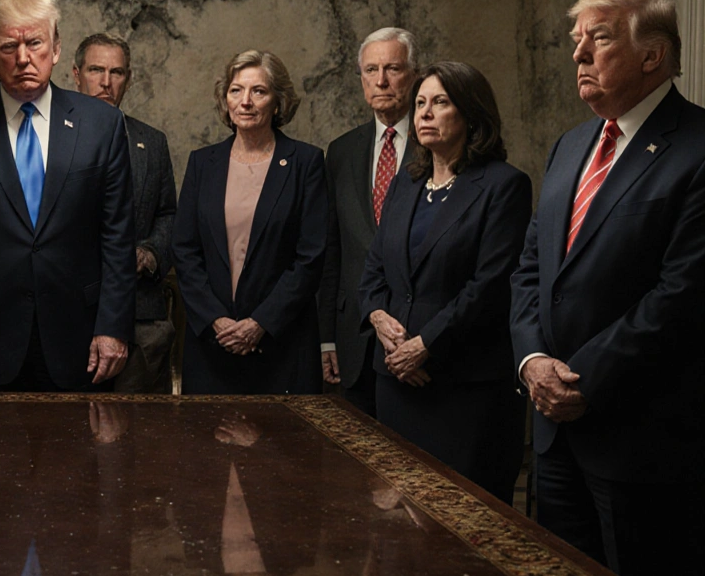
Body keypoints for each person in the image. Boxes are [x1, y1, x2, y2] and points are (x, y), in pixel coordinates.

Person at [510, 0, 705, 576]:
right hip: (554, 432)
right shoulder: (570, 146)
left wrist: (582, 381)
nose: (579, 54)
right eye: (577, 40)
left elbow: (682, 295)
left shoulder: (696, 147)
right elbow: (532, 269)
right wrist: (533, 361)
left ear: (653, 55)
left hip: (640, 437)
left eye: (598, 38)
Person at [0, 0, 135, 392]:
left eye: (34, 43)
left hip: (80, 339)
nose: (23, 58)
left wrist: (113, 327)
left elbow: (118, 238)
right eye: (8, 47)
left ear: (56, 49)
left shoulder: (102, 124)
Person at [358, 61, 530, 502]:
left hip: (463, 387)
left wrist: (425, 346)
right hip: (397, 381)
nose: (425, 113)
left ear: (471, 113)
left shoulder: (504, 185)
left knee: (464, 518)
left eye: (440, 102)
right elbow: (375, 267)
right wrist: (378, 319)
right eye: (419, 104)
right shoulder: (406, 182)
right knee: (398, 521)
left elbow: (490, 285)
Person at [173, 50, 327, 394]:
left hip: (281, 344)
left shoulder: (305, 163)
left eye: (258, 91)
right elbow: (184, 250)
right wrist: (216, 321)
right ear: (225, 99)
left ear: (278, 102)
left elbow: (311, 256)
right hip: (212, 344)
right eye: (236, 90)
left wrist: (260, 323)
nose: (245, 101)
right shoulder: (203, 164)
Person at [319, 27, 419, 416]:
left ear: (413, 74)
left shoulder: (437, 143)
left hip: (415, 336)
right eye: (371, 70)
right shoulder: (341, 151)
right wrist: (327, 338)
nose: (381, 81)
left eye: (393, 68)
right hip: (353, 339)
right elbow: (333, 250)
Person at [71, 33, 177, 393]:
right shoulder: (50, 138)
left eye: (116, 72)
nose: (106, 81)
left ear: (128, 79)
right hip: (70, 315)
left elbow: (168, 214)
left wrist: (148, 254)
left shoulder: (152, 142)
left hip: (140, 316)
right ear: (76, 75)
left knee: (139, 426)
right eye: (96, 70)